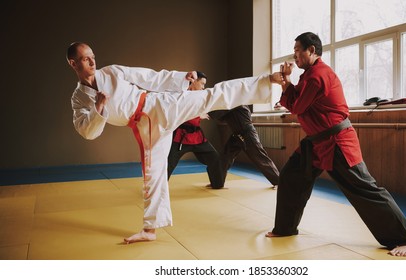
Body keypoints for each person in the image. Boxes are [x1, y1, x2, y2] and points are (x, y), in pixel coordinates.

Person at [67, 42, 283, 244]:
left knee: (210, 96)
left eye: (93, 57)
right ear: (73, 63)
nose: (93, 62)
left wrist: (181, 78)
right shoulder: (79, 98)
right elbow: (87, 131)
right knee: (153, 173)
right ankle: (150, 230)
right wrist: (99, 108)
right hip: (145, 126)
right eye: (85, 59)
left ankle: (268, 80)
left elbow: (150, 77)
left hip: (158, 105)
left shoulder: (111, 72)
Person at [265, 32, 406, 257]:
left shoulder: (318, 75)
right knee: (291, 176)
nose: (295, 54)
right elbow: (296, 103)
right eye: (294, 49)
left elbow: (296, 107)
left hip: (336, 142)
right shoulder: (309, 74)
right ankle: (285, 229)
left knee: (364, 188)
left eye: (298, 49)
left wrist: (286, 82)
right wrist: (287, 82)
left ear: (311, 50)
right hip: (316, 142)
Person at [167, 72, 224, 189]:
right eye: (202, 83)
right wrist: (199, 116)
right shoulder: (182, 95)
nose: (203, 87)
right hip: (181, 138)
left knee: (214, 157)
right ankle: (156, 189)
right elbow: (179, 114)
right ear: (194, 81)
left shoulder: (200, 97)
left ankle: (217, 184)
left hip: (197, 137)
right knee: (168, 164)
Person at [208, 105, 279, 189]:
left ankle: (279, 182)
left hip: (247, 134)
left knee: (260, 157)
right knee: (225, 157)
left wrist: (207, 112)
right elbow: (222, 118)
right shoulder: (230, 105)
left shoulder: (237, 103)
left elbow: (218, 114)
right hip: (237, 135)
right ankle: (217, 183)